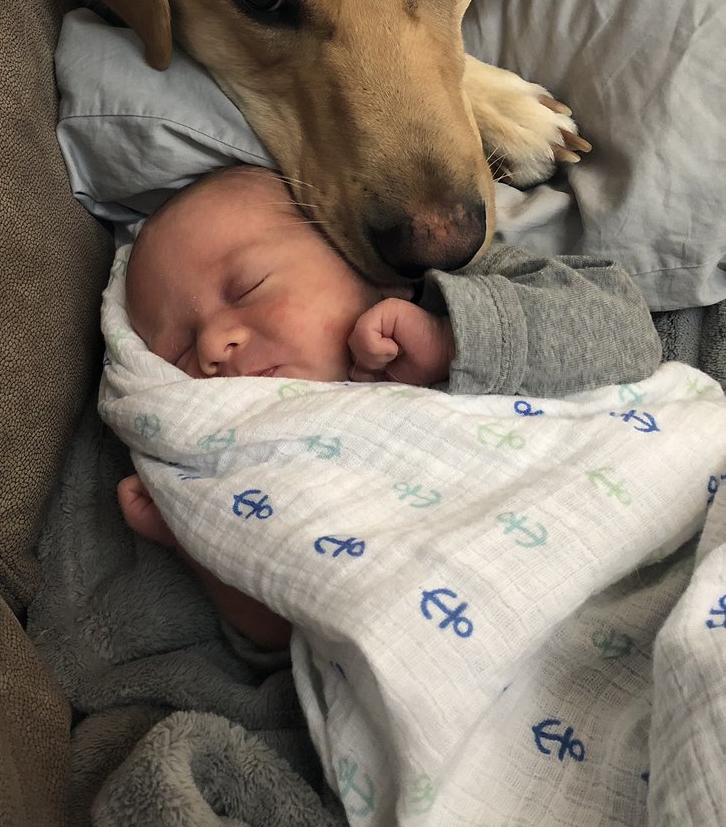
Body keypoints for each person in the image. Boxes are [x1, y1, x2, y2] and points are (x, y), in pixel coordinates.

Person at [117, 163, 662, 647]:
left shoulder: (459, 287)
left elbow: (626, 332)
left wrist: (452, 339)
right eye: (179, 349)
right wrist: (198, 539)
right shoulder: (254, 459)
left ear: (358, 260)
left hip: (633, 550)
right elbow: (295, 633)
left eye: (248, 287)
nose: (213, 345)